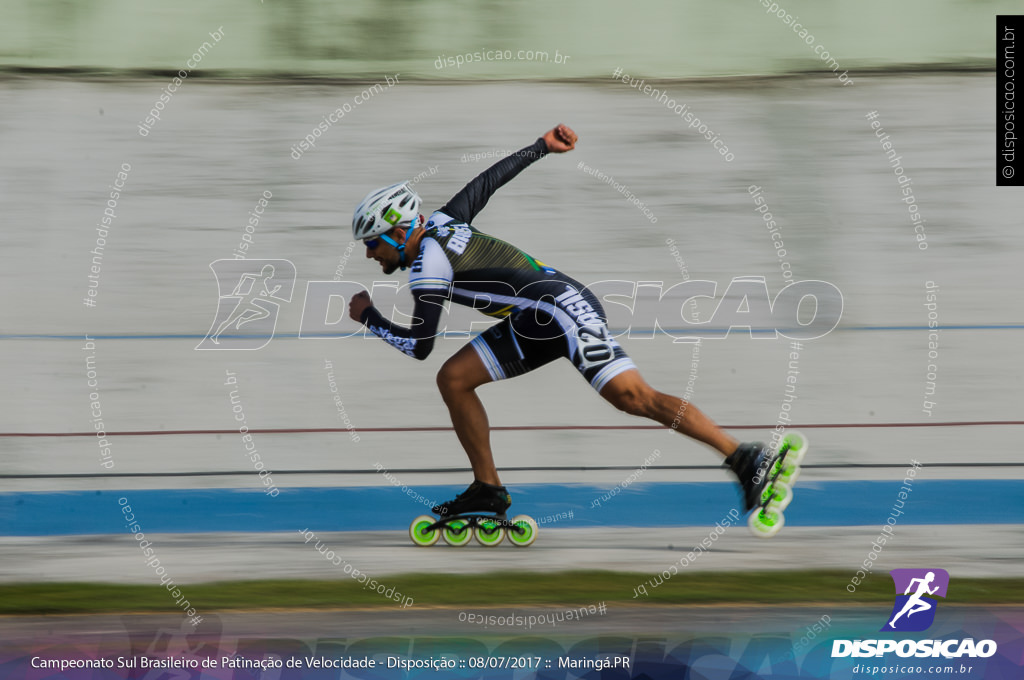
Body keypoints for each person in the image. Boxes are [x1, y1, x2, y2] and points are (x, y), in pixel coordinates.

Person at [348, 124, 773, 518]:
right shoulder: (442, 221)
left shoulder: (428, 266)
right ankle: (488, 489)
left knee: (632, 397)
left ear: (398, 232)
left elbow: (420, 346)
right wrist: (540, 148)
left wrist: (369, 317)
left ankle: (744, 457)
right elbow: (486, 183)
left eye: (372, 244)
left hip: (562, 309)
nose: (370, 255)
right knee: (454, 379)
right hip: (535, 316)